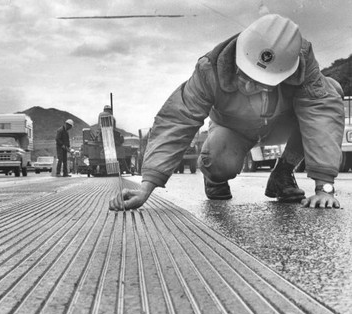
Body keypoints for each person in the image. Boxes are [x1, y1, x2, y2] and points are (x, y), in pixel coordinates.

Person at [109, 13, 344, 211]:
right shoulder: (209, 69)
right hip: (233, 128)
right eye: (247, 76)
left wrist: (325, 187)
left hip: (280, 124)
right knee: (220, 161)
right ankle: (215, 178)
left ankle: (282, 174)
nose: (251, 87)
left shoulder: (301, 62)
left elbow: (321, 113)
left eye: (262, 82)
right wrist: (146, 185)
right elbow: (177, 119)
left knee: (330, 90)